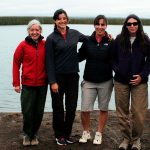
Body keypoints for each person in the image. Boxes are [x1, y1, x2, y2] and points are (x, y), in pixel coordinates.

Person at [45, 9, 87, 146]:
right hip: (57, 78)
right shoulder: (51, 38)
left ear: (67, 19)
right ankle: (59, 135)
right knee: (58, 107)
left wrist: (79, 57)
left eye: (64, 18)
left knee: (71, 106)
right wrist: (52, 81)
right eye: (59, 19)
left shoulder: (74, 33)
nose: (62, 21)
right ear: (55, 21)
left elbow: (89, 40)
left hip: (73, 76)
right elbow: (49, 62)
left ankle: (67, 134)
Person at [112, 14, 150, 150]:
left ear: (139, 24)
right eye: (129, 24)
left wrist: (142, 75)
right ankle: (126, 139)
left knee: (139, 113)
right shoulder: (119, 40)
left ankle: (136, 140)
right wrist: (118, 70)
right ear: (125, 26)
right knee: (122, 112)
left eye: (135, 23)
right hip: (121, 82)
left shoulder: (145, 40)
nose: (132, 26)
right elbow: (112, 58)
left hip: (140, 83)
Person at [78, 15, 113, 145]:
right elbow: (79, 57)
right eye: (97, 24)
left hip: (106, 81)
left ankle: (99, 134)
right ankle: (86, 132)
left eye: (103, 24)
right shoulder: (87, 41)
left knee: (103, 108)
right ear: (94, 25)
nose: (100, 26)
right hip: (89, 81)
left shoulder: (110, 41)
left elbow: (117, 58)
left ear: (106, 26)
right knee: (85, 109)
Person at [12, 19, 48, 146]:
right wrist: (16, 83)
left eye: (37, 30)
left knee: (39, 111)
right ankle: (27, 134)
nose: (34, 32)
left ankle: (35, 134)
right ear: (28, 31)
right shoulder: (22, 45)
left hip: (42, 84)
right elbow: (16, 63)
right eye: (32, 30)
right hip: (28, 84)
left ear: (40, 31)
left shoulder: (45, 44)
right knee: (27, 111)